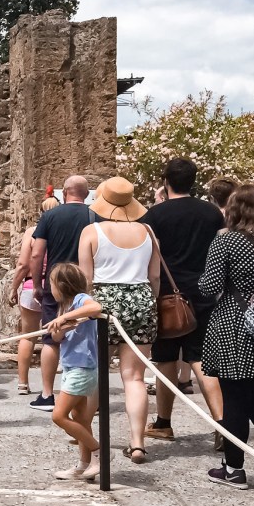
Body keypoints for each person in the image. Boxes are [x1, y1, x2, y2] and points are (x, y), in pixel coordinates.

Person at [140, 158, 225, 443]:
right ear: (194, 180)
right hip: (204, 293)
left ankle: (164, 422)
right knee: (201, 358)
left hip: (166, 294)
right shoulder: (212, 213)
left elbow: (149, 257)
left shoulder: (155, 215)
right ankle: (222, 426)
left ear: (166, 181)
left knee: (165, 360)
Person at [79, 177, 159, 464]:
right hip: (141, 300)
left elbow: (86, 279)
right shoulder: (148, 231)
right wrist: (148, 302)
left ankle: (84, 432)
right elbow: (155, 276)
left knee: (96, 374)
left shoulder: (92, 231)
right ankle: (137, 443)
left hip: (104, 303)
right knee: (134, 378)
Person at [200, 184, 254, 489]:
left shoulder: (227, 241)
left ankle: (234, 469)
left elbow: (210, 286)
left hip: (235, 325)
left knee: (236, 399)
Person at [30, 175, 95, 411]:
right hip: (84, 283)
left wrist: (37, 283)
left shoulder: (50, 216)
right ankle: (89, 396)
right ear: (86, 194)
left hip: (56, 284)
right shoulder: (94, 215)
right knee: (87, 337)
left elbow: (37, 254)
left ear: (64, 192)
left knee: (51, 336)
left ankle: (47, 394)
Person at [44, 263, 103, 481]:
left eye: (51, 283)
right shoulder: (65, 306)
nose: (50, 288)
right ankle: (84, 465)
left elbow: (95, 307)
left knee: (59, 416)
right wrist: (60, 327)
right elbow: (59, 339)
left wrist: (64, 318)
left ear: (61, 284)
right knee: (80, 418)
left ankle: (100, 452)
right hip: (70, 367)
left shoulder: (79, 300)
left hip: (82, 367)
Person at [9, 195, 60, 397]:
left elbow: (23, 264)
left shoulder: (32, 232)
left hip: (31, 286)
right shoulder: (60, 230)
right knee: (55, 337)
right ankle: (54, 385)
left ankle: (22, 383)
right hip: (55, 286)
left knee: (28, 336)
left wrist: (14, 287)